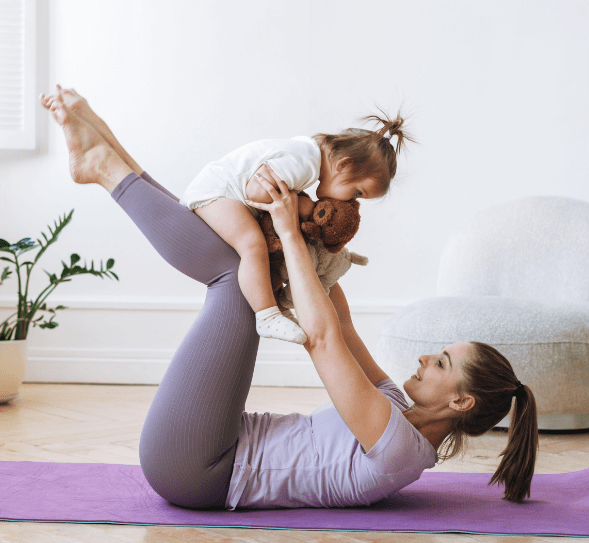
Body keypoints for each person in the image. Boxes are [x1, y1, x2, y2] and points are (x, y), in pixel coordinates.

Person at [39, 86, 539, 510]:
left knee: (237, 282)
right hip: (216, 440)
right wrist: (321, 246)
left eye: (442, 362)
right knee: (242, 266)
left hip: (199, 469)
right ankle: (107, 151)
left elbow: (321, 339)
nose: (426, 358)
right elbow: (340, 323)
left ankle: (107, 169)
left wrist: (288, 231)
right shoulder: (392, 404)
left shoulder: (397, 448)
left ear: (461, 401)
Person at [178, 106, 413, 346]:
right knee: (253, 244)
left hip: (220, 194)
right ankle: (266, 315)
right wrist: (304, 206)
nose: (351, 201)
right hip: (214, 194)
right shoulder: (304, 164)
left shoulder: (307, 152)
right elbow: (256, 191)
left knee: (271, 254)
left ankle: (277, 307)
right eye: (357, 192)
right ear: (343, 165)